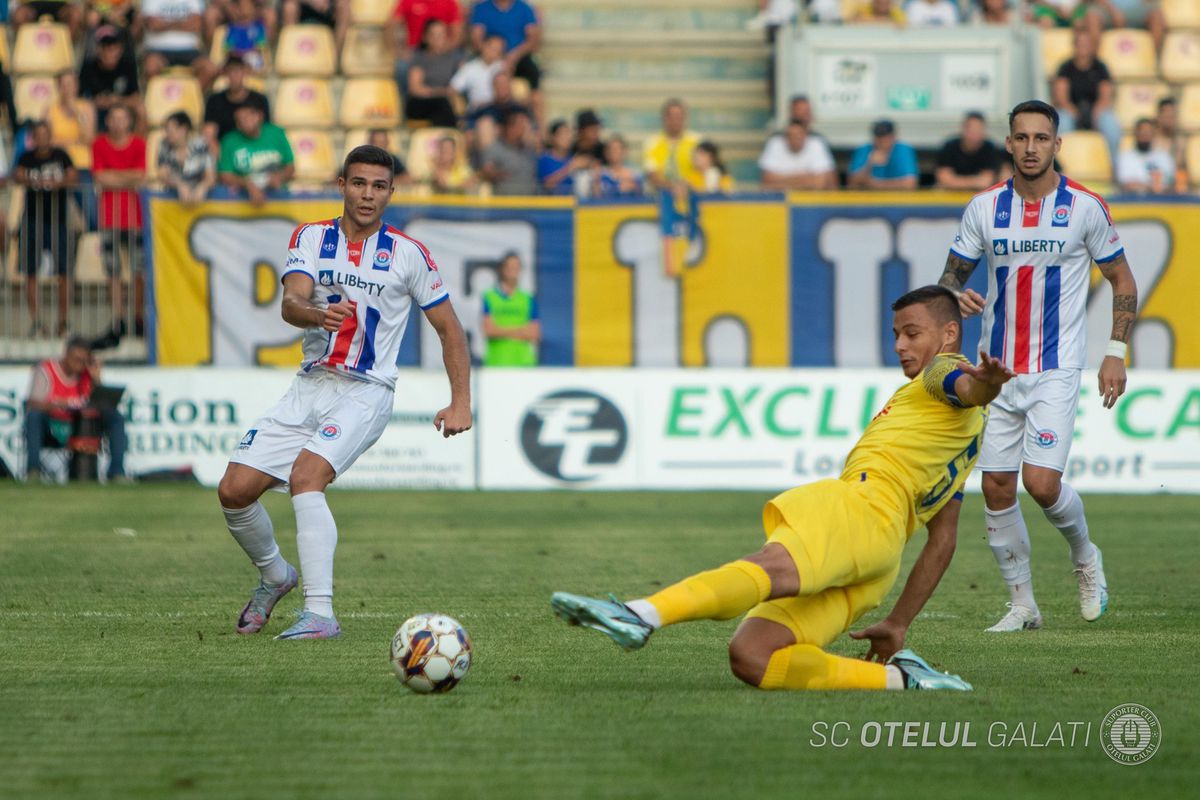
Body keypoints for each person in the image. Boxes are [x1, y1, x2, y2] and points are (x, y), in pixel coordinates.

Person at [552, 286, 1016, 691]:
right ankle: (902, 680)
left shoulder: (942, 373)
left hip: (864, 508)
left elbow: (962, 386)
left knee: (770, 565)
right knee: (754, 656)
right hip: (879, 561)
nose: (900, 345)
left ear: (949, 335)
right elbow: (944, 538)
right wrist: (898, 622)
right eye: (895, 334)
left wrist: (985, 386)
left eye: (911, 333)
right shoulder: (965, 435)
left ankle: (640, 615)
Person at [215, 144, 472, 640]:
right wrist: (316, 314)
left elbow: (450, 329)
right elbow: (291, 302)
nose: (368, 195)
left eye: (379, 186)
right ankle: (275, 576)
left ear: (392, 192)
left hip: (367, 390)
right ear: (342, 185)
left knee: (306, 477)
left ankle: (321, 613)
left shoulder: (409, 253)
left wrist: (460, 400)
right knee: (233, 492)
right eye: (359, 183)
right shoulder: (311, 237)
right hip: (310, 383)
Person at [938, 100, 1137, 632]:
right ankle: (1023, 606)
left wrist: (1114, 354)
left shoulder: (1085, 207)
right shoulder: (983, 208)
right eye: (1021, 138)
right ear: (1008, 143)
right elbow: (949, 280)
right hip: (996, 371)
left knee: (1042, 484)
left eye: (1041, 138)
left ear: (1057, 145)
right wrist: (955, 295)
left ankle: (1084, 556)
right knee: (997, 487)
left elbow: (1123, 281)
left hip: (1056, 367)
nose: (1030, 147)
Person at [24, 337, 128, 484]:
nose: (80, 364)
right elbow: (32, 403)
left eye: (83, 360)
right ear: (66, 354)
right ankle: (33, 471)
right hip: (54, 426)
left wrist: (96, 379)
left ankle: (117, 472)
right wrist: (59, 405)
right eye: (76, 359)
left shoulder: (87, 375)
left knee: (116, 417)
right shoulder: (46, 370)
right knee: (34, 417)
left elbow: (101, 404)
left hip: (83, 428)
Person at [15, 121, 77, 336]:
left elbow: (72, 176)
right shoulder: (27, 156)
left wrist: (52, 182)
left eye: (45, 134)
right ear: (34, 137)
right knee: (30, 272)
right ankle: (37, 323)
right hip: (32, 220)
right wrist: (40, 182)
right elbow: (19, 174)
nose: (42, 138)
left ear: (50, 136)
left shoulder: (61, 154)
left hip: (58, 221)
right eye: (38, 135)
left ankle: (63, 322)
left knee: (64, 272)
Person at [92, 105, 146, 345]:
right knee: (112, 272)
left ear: (129, 121)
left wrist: (114, 176)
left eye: (122, 117)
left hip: (136, 219)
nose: (118, 122)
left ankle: (138, 318)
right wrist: (127, 177)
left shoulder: (139, 144)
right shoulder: (99, 144)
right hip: (109, 219)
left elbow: (141, 175)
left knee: (138, 271)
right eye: (114, 117)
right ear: (108, 121)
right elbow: (99, 178)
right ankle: (118, 319)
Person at [643, 99, 703, 277]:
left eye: (680, 116)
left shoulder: (696, 141)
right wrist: (673, 187)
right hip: (662, 200)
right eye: (672, 116)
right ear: (664, 119)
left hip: (690, 198)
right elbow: (652, 173)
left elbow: (702, 169)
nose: (676, 120)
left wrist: (686, 185)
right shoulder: (653, 142)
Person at [469, 0, 543, 126]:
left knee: (534, 76)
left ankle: (539, 129)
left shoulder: (524, 8)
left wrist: (515, 55)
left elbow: (533, 40)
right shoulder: (482, 8)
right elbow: (476, 39)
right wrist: (492, 54)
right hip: (489, 58)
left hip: (518, 57)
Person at [1052, 29, 1120, 159]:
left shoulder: (1100, 67)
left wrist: (1095, 113)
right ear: (1074, 45)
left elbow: (1105, 97)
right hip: (1071, 111)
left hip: (1096, 111)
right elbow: (1061, 98)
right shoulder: (1065, 67)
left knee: (1111, 125)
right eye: (1080, 43)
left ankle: (1113, 167)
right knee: (1063, 123)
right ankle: (1060, 164)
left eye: (1086, 44)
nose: (1083, 47)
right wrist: (1076, 114)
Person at [217, 104, 295, 205]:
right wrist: (248, 185)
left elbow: (290, 166)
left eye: (248, 117)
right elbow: (225, 175)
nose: (244, 122)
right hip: (241, 199)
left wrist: (279, 177)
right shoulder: (229, 140)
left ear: (260, 116)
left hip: (278, 197)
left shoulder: (276, 133)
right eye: (239, 120)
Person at [387, 0, 463, 97]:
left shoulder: (449, 3)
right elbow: (391, 25)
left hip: (443, 49)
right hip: (415, 50)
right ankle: (407, 103)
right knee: (402, 66)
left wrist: (443, 48)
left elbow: (457, 34)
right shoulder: (408, 1)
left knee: (464, 67)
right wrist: (398, 51)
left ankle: (465, 107)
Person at [77, 26, 142, 133]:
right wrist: (95, 102)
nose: (108, 52)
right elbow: (79, 97)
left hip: (122, 109)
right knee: (86, 111)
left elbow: (136, 97)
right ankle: (91, 146)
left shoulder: (128, 66)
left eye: (112, 48)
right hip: (95, 110)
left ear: (120, 49)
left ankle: (137, 145)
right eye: (104, 47)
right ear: (98, 49)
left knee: (140, 110)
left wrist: (116, 101)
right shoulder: (88, 67)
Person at [203, 55, 272, 155]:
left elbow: (266, 132)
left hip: (256, 151)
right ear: (225, 74)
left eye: (237, 71)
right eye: (230, 71)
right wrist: (224, 160)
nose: (234, 76)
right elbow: (209, 134)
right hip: (225, 153)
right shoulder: (214, 101)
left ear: (245, 72)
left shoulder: (260, 99)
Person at [141, 0, 217, 89]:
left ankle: (189, 98)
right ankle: (158, 101)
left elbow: (196, 24)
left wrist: (165, 23)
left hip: (190, 50)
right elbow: (153, 25)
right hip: (158, 50)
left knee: (210, 69)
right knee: (151, 67)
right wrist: (183, 23)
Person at [482, 253, 539, 366]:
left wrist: (501, 330)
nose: (513, 271)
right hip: (497, 363)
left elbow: (534, 334)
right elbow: (489, 330)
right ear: (503, 269)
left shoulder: (528, 299)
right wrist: (520, 331)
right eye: (510, 267)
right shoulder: (490, 297)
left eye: (516, 268)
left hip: (524, 363)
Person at [405, 19, 463, 129]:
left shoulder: (453, 58)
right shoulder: (420, 58)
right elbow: (415, 88)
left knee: (445, 106)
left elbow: (462, 79)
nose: (438, 39)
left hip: (444, 103)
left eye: (441, 35)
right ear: (425, 37)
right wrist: (440, 92)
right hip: (419, 103)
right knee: (442, 103)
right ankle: (451, 134)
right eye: (433, 35)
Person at [758, 118, 837, 190]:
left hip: (812, 201)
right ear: (785, 137)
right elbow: (766, 183)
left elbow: (820, 183)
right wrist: (806, 179)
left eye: (798, 135)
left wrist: (782, 180)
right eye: (791, 135)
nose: (795, 139)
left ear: (806, 136)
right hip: (779, 201)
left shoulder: (816, 143)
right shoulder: (775, 143)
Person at [934, 111, 1005, 191]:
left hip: (980, 197)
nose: (974, 132)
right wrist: (976, 181)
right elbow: (944, 179)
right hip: (949, 197)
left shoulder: (989, 148)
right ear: (963, 128)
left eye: (978, 128)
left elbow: (986, 182)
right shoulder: (949, 146)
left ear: (983, 130)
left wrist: (955, 181)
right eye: (970, 128)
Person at [157, 110, 216, 204]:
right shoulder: (164, 145)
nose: (167, 134)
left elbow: (210, 177)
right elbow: (162, 174)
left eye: (170, 130)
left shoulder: (202, 145)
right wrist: (179, 185)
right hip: (172, 200)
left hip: (201, 201)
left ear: (183, 129)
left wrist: (202, 187)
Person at [479, 106, 538, 196]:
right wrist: (496, 174)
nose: (522, 129)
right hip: (505, 205)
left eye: (523, 126)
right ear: (509, 127)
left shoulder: (528, 150)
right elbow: (486, 171)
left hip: (530, 204)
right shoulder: (495, 148)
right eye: (519, 125)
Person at [450, 34, 506, 125]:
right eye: (492, 48)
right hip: (479, 111)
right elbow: (453, 89)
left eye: (498, 50)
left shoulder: (503, 67)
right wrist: (460, 107)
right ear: (484, 46)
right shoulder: (469, 68)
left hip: (500, 108)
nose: (494, 52)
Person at [47, 72, 96, 174]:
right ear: (58, 88)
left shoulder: (86, 108)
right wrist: (76, 142)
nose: (67, 89)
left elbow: (88, 139)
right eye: (63, 85)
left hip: (82, 163)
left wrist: (78, 114)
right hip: (57, 162)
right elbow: (49, 142)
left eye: (69, 84)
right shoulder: (50, 111)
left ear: (76, 86)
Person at [848, 119, 918, 190]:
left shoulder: (903, 150)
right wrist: (869, 164)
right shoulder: (864, 150)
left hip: (897, 198)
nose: (881, 142)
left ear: (893, 137)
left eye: (885, 138)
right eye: (878, 137)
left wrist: (876, 184)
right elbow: (852, 183)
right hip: (869, 199)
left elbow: (910, 183)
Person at [1116, 117, 1174, 195]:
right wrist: (1152, 187)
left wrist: (1145, 186)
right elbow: (1127, 184)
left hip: (1162, 202)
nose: (1145, 135)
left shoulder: (1164, 157)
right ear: (1136, 134)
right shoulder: (1125, 157)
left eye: (1148, 132)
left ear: (1153, 134)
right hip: (1134, 202)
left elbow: (1170, 183)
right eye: (1142, 132)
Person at [218, 0, 271, 74]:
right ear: (237, 9)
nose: (244, 9)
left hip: (252, 58)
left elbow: (261, 47)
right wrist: (239, 56)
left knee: (252, 59)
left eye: (247, 6)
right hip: (236, 59)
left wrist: (245, 54)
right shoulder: (233, 28)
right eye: (242, 6)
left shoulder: (259, 27)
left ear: (253, 9)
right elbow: (227, 48)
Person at [537, 119, 586, 195]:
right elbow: (547, 184)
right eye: (563, 134)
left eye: (569, 134)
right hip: (552, 204)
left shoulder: (572, 157)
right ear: (553, 137)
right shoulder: (544, 159)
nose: (567, 138)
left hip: (571, 203)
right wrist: (571, 167)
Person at [281, 0, 350, 53]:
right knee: (289, 7)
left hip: (328, 9)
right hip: (303, 9)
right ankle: (291, 53)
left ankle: (334, 56)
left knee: (344, 7)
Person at [12, 0, 84, 40]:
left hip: (63, 5)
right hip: (31, 4)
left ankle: (66, 57)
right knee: (19, 16)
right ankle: (23, 56)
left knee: (75, 16)